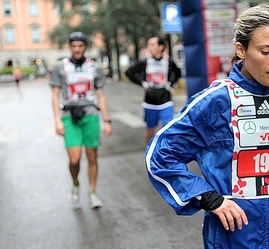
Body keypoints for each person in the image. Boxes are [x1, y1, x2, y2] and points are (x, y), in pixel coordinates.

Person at [145, 4, 269, 249]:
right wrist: (209, 198)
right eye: (265, 51)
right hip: (232, 246)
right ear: (241, 50)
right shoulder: (214, 102)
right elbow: (160, 156)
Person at [50, 31, 112, 209]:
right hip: (69, 117)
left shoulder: (94, 68)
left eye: (80, 46)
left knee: (92, 156)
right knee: (75, 159)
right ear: (70, 47)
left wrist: (107, 120)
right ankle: (75, 183)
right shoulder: (60, 67)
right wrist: (57, 120)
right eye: (74, 46)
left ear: (85, 47)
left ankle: (92, 193)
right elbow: (55, 95)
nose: (77, 49)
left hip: (90, 115)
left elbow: (101, 96)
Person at [125, 36, 181, 144]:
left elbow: (178, 73)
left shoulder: (168, 61)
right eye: (148, 45)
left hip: (165, 101)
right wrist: (142, 83)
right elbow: (129, 72)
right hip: (150, 102)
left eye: (152, 44)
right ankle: (149, 155)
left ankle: (168, 156)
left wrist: (170, 82)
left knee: (169, 130)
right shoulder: (146, 62)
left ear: (161, 47)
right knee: (150, 131)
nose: (149, 47)